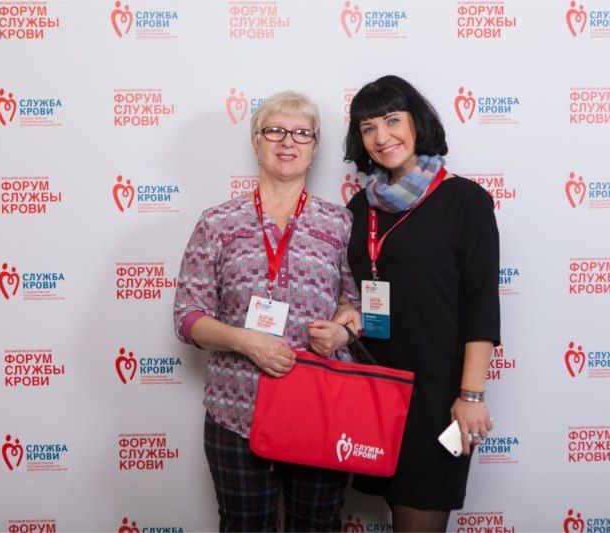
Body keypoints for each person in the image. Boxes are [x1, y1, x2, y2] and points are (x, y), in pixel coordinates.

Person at [173, 91, 361, 532]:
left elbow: (358, 304)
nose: (287, 141)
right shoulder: (217, 222)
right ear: (256, 142)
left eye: (301, 133)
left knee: (316, 525)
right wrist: (246, 341)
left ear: (315, 147)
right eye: (275, 130)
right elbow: (187, 316)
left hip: (320, 406)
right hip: (237, 408)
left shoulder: (340, 222)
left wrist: (343, 331)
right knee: (244, 526)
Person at [339, 75, 501, 532]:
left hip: (437, 395)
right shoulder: (359, 208)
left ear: (417, 123)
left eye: (393, 120)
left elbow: (482, 306)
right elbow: (353, 290)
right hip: (373, 388)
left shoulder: (464, 200)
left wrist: (471, 396)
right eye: (368, 128)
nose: (382, 136)